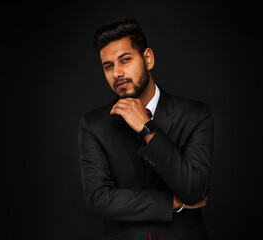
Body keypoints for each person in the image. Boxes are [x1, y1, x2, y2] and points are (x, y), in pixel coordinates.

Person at [78, 19, 214, 240]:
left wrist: (147, 128)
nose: (117, 73)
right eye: (108, 66)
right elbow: (99, 201)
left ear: (148, 59)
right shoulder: (94, 124)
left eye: (125, 60)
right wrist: (172, 203)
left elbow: (194, 191)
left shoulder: (195, 115)